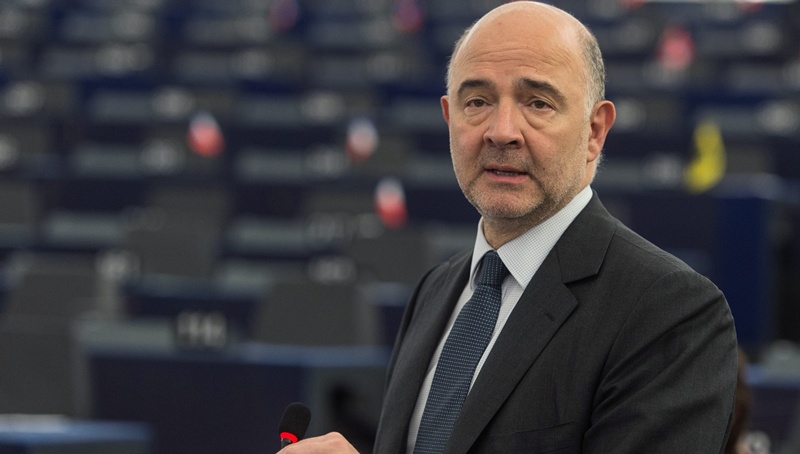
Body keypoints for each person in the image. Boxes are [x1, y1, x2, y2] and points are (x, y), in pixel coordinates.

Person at [281, 1, 738, 453]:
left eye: (538, 103)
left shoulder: (671, 310)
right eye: (477, 102)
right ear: (449, 118)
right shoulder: (434, 291)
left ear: (595, 131)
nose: (501, 131)